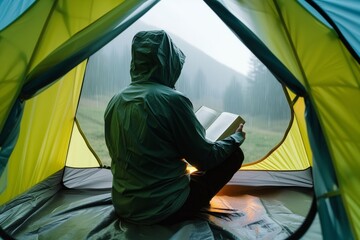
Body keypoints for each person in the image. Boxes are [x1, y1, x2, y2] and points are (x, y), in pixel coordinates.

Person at [104, 30, 246, 225]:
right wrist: (235, 139)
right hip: (164, 208)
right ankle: (184, 208)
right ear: (169, 63)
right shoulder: (172, 100)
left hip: (123, 205)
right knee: (234, 155)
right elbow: (205, 159)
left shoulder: (116, 99)